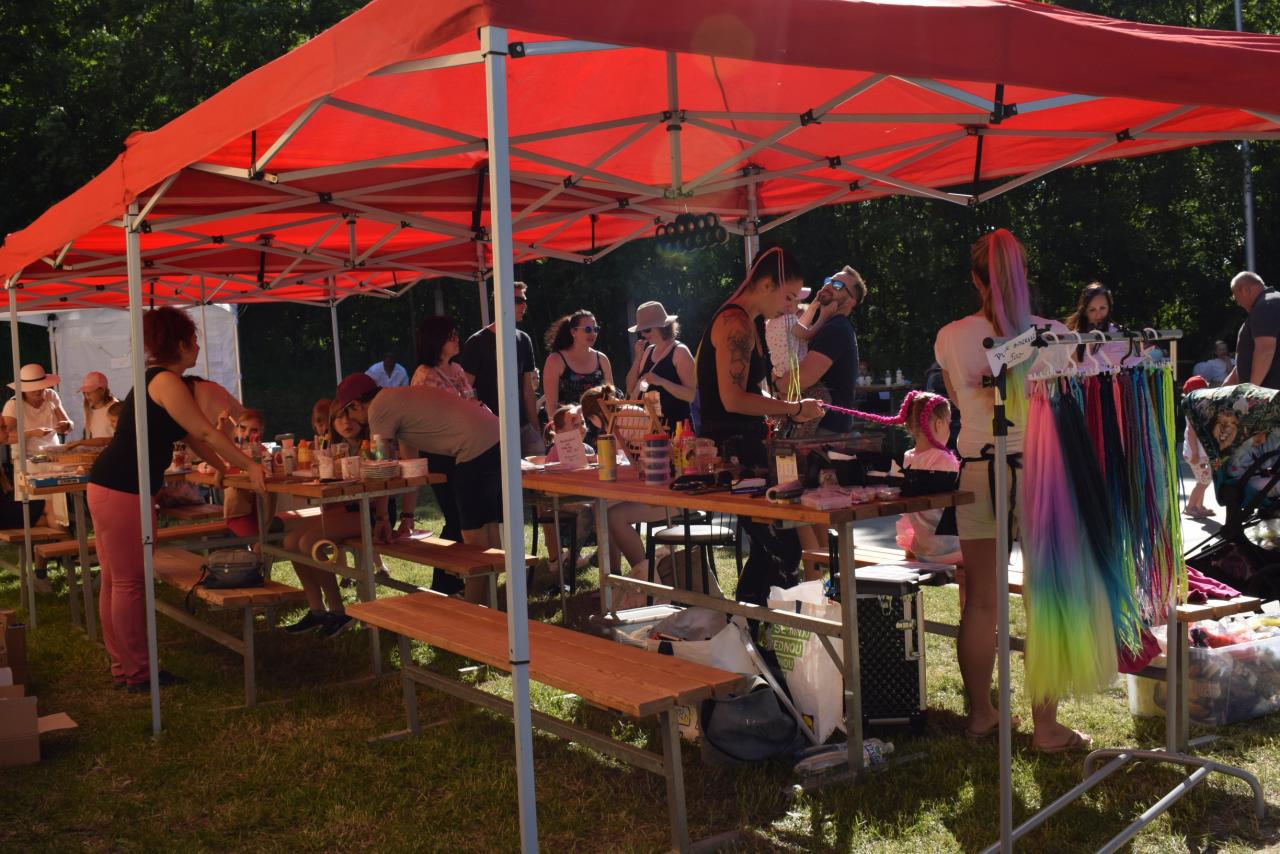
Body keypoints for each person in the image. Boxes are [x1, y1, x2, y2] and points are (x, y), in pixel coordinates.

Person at [934, 228, 1087, 751]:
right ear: (1023, 277)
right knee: (1045, 600)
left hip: (979, 468)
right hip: (1041, 472)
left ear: (977, 280)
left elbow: (959, 403)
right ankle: (1046, 726)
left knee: (981, 600)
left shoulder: (951, 336)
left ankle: (982, 715)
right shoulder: (1056, 335)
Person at [88, 307, 265, 691]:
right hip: (123, 488)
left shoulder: (159, 381)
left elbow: (190, 436)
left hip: (111, 485)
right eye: (194, 340)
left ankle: (125, 668)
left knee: (116, 581)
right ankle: (138, 673)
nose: (198, 347)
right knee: (128, 583)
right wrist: (249, 465)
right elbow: (205, 431)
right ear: (181, 345)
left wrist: (222, 467)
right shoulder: (166, 381)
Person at [694, 246, 824, 605]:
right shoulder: (735, 323)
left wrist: (785, 406)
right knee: (780, 547)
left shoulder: (747, 322)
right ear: (766, 285)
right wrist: (793, 409)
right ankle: (750, 623)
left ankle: (749, 624)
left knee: (780, 548)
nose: (790, 308)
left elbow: (748, 392)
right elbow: (733, 399)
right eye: (788, 297)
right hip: (735, 455)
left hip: (745, 450)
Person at [334, 373, 502, 604]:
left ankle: (475, 610)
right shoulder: (398, 401)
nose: (351, 420)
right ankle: (490, 604)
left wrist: (382, 518)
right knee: (489, 530)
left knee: (473, 539)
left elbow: (381, 470)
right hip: (497, 436)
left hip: (475, 447)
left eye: (348, 413)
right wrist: (407, 516)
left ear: (355, 405)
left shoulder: (378, 408)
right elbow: (411, 469)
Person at [282, 401, 370, 637]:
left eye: (350, 415)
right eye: (339, 417)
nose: (346, 422)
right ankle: (317, 609)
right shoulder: (334, 448)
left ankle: (338, 611)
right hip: (343, 509)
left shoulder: (372, 445)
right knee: (290, 541)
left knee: (309, 542)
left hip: (367, 512)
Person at [411, 314, 480, 596]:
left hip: (465, 450)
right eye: (451, 336)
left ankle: (453, 580)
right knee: (455, 516)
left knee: (465, 516)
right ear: (436, 340)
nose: (456, 339)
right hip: (440, 453)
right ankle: (444, 582)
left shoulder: (458, 369)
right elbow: (424, 417)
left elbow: (471, 403)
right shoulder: (425, 374)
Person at [459, 280, 543, 456]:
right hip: (490, 430)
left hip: (522, 426)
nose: (524, 305)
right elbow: (466, 391)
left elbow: (528, 389)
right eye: (518, 301)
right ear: (501, 302)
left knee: (539, 456)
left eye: (525, 300)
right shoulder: (476, 342)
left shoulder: (524, 340)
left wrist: (536, 429)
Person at [780, 267, 866, 435]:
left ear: (850, 302)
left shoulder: (836, 329)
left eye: (838, 285)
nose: (828, 286)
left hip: (824, 431)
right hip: (819, 425)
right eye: (829, 281)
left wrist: (777, 384)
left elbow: (802, 379)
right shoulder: (830, 326)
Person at [3, 364, 74, 531]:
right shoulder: (13, 405)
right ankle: (47, 540)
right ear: (23, 389)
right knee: (36, 506)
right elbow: (5, 437)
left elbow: (68, 424)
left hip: (53, 458)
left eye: (41, 386)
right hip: (28, 461)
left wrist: (66, 425)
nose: (38, 391)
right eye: (33, 388)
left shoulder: (51, 395)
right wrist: (32, 433)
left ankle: (61, 539)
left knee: (57, 505)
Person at [894, 393, 962, 564]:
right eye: (949, 423)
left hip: (921, 550)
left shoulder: (908, 458)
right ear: (939, 424)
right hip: (951, 551)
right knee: (993, 551)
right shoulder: (945, 460)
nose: (950, 428)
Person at [625, 301, 695, 428]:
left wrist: (661, 381)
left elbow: (691, 395)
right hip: (649, 429)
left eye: (646, 330)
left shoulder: (680, 351)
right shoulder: (648, 351)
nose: (643, 334)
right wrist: (638, 357)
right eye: (641, 331)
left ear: (662, 327)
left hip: (677, 429)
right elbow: (630, 389)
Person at [543, 309, 613, 425]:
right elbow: (551, 407)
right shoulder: (555, 360)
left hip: (602, 429)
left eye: (595, 329)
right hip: (571, 429)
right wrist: (562, 432)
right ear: (573, 332)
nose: (593, 333)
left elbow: (611, 399)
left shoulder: (602, 359)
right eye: (587, 329)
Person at [765, 287, 827, 395]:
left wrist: (813, 306)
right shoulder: (789, 320)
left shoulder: (769, 323)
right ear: (787, 304)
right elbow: (807, 334)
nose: (799, 303)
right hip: (795, 369)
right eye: (797, 300)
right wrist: (824, 316)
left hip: (779, 370)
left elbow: (799, 327)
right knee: (823, 396)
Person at [1226, 272, 1280, 390]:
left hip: (1269, 395)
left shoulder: (1266, 305)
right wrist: (1226, 386)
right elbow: (1249, 355)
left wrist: (1251, 391)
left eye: (1236, 297)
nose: (1238, 303)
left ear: (1245, 290)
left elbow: (1265, 351)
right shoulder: (1271, 302)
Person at [224, 409, 269, 540]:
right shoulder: (230, 451)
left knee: (269, 535)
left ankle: (262, 546)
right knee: (259, 539)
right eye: (242, 428)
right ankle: (260, 547)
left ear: (260, 433)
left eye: (253, 430)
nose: (247, 434)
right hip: (238, 513)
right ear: (236, 430)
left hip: (262, 511)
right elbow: (212, 462)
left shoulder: (263, 452)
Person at [1064, 282, 1126, 363]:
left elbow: (1123, 364)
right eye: (1092, 310)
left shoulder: (1117, 333)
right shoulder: (1073, 335)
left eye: (1102, 308)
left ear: (1109, 307)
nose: (1098, 315)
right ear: (1085, 311)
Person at [1181, 376, 1214, 519]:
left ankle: (1199, 506)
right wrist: (1195, 453)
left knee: (1202, 480)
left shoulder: (1195, 408)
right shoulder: (1194, 410)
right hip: (1196, 453)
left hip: (1199, 453)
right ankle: (1190, 507)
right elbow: (1191, 433)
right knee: (1204, 482)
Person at [80, 371, 119, 440]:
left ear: (102, 390)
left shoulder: (115, 408)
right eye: (85, 393)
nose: (87, 395)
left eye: (90, 391)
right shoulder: (90, 411)